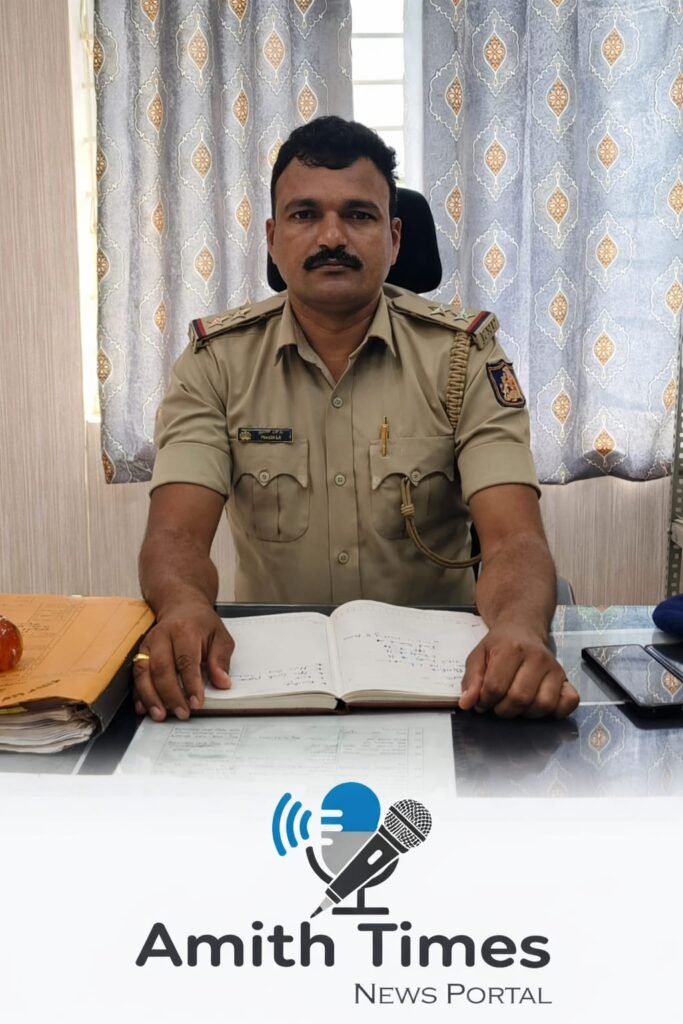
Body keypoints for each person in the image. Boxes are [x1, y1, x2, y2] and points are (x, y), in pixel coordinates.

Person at [136, 116, 579, 722]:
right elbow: (176, 538)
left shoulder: (464, 357)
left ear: (394, 239)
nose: (331, 236)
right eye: (304, 214)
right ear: (272, 238)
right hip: (275, 685)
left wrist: (520, 627)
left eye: (359, 215)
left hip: (445, 684)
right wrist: (182, 605)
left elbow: (514, 540)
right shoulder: (216, 362)